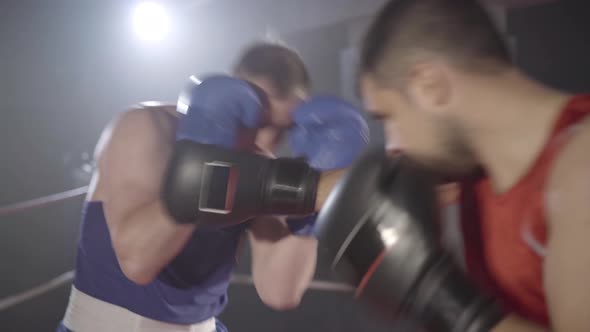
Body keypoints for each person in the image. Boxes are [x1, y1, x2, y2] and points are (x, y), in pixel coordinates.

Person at [57, 42, 369, 332]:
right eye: (257, 122)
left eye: (282, 130)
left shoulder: (265, 166)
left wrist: (311, 202)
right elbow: (137, 262)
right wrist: (207, 162)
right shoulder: (145, 127)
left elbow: (280, 291)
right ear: (233, 100)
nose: (265, 143)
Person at [352, 0, 590, 331]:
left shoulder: (580, 168)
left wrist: (435, 294)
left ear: (429, 85)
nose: (393, 145)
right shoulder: (475, 176)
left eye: (388, 117)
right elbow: (356, 188)